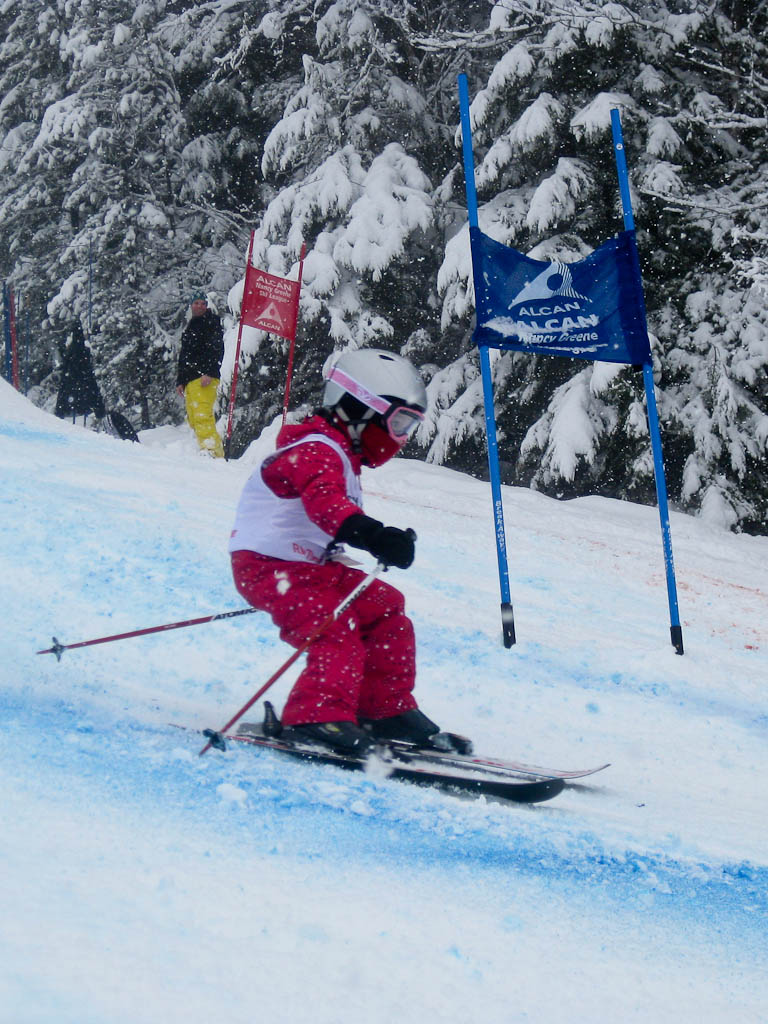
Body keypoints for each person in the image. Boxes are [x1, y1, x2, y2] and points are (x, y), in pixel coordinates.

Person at [228, 348, 449, 755]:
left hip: (311, 570)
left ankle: (382, 708)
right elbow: (326, 505)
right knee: (335, 625)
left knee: (384, 605)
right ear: (360, 409)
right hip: (268, 567)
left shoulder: (338, 453)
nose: (401, 439)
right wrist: (375, 536)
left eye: (409, 427)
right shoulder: (315, 450)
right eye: (399, 423)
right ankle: (315, 716)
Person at [176, 294, 224, 457]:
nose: (200, 306)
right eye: (196, 303)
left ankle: (212, 452)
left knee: (202, 414)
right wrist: (181, 380)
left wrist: (209, 372)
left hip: (204, 377)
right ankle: (208, 448)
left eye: (203, 303)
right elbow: (184, 355)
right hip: (190, 378)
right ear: (191, 305)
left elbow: (216, 348)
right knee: (193, 418)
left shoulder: (211, 322)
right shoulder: (191, 325)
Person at [55, 321, 106, 423]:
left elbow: (65, 370)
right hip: (84, 380)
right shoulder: (84, 351)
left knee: (65, 390)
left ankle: (60, 412)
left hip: (71, 381)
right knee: (92, 390)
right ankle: (99, 412)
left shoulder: (70, 352)